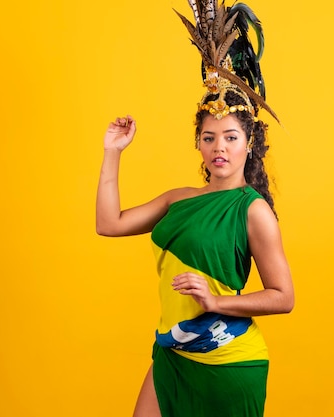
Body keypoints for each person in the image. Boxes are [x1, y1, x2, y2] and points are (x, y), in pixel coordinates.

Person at [96, 2, 293, 416]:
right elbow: (109, 224)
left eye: (230, 137)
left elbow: (283, 297)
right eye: (209, 137)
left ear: (250, 142)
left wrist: (216, 302)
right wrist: (112, 153)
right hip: (173, 348)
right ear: (198, 144)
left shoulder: (253, 211)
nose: (219, 147)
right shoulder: (177, 199)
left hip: (228, 359)